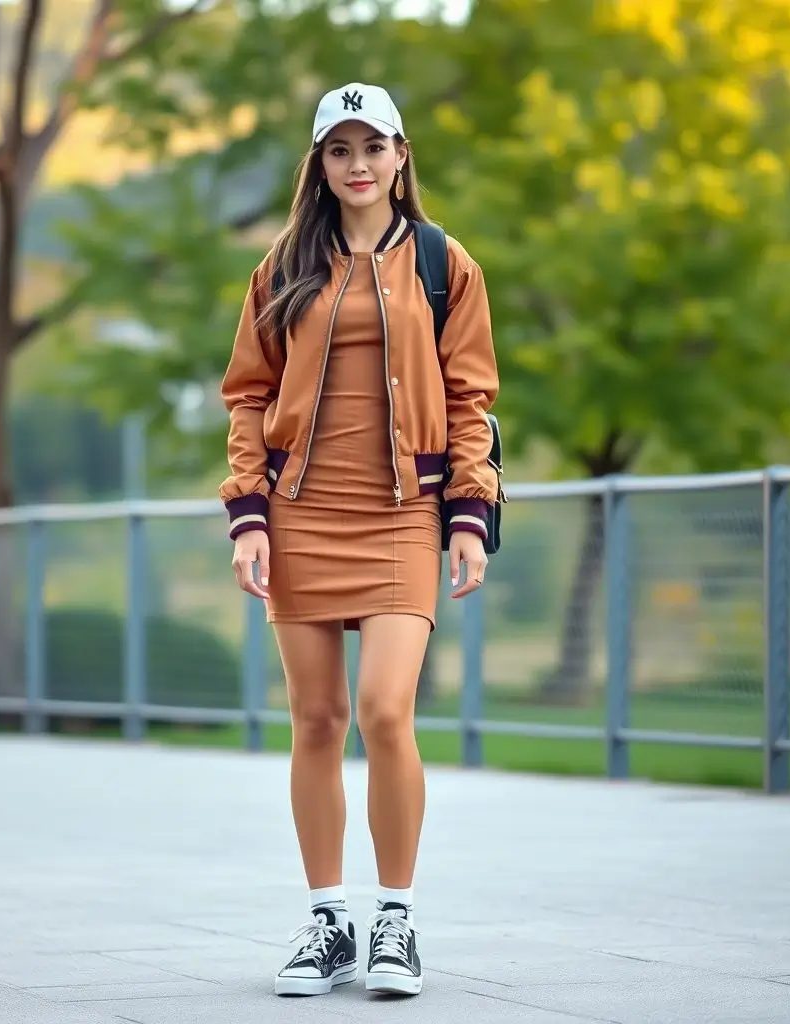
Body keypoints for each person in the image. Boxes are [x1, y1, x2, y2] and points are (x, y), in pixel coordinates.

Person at [218, 81, 500, 999]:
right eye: (338, 150)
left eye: (372, 147)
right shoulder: (283, 265)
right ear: (320, 165)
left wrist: (469, 514)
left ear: (401, 154)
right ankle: (328, 920)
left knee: (384, 711)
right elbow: (248, 396)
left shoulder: (441, 262)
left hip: (403, 515)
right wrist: (248, 515)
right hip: (300, 512)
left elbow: (470, 400)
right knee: (316, 721)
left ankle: (397, 922)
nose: (358, 165)